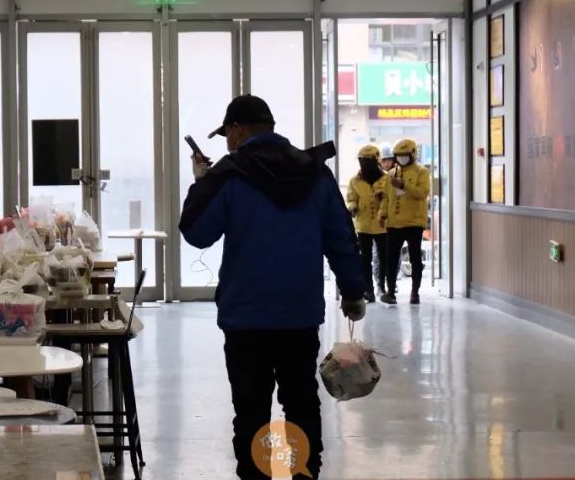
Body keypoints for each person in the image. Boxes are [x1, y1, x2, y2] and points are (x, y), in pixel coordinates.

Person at [179, 94, 367, 480]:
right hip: (299, 314)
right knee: (300, 403)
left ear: (237, 130)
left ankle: (256, 475)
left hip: (246, 317)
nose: (227, 143)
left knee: (250, 410)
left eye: (227, 134)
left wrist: (201, 183)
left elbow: (198, 234)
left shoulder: (229, 175)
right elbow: (341, 237)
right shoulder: (314, 172)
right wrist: (352, 292)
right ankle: (304, 474)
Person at [379, 138, 431, 305]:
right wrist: (382, 215)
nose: (401, 158)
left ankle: (415, 293)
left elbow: (423, 193)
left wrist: (404, 186)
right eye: (398, 155)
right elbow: (387, 198)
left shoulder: (422, 172)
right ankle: (390, 292)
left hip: (414, 223)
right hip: (394, 223)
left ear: (412, 154)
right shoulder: (391, 174)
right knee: (391, 258)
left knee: (415, 258)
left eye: (404, 155)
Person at [346, 144, 388, 302]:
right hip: (363, 225)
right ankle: (368, 289)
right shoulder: (354, 181)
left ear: (377, 160)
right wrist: (353, 208)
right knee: (365, 259)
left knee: (384, 258)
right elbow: (351, 198)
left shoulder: (387, 180)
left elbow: (391, 199)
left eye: (368, 160)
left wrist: (383, 199)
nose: (365, 164)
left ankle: (382, 286)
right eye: (362, 160)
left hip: (382, 226)